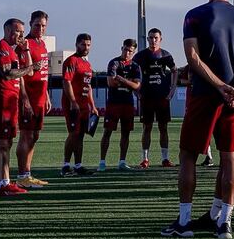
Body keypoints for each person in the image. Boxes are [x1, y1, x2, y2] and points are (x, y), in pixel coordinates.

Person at [161, 0, 234, 239]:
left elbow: (193, 58)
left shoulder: (195, 15)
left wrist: (219, 85)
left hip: (205, 94)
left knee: (188, 155)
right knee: (230, 158)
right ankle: (224, 222)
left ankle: (184, 222)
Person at [0, 18, 39, 196]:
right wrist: (30, 68)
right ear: (7, 30)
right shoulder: (1, 47)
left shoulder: (12, 50)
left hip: (11, 100)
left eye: (21, 32)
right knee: (2, 142)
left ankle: (5, 182)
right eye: (17, 31)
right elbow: (8, 73)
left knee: (8, 142)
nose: (20, 35)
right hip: (3, 99)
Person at [15, 10, 51, 189]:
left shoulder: (42, 44)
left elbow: (44, 72)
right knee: (26, 135)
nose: (40, 28)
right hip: (29, 97)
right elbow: (20, 74)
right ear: (30, 24)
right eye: (37, 25)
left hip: (40, 97)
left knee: (34, 136)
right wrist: (24, 98)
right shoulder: (24, 44)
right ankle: (22, 175)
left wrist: (47, 95)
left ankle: (27, 174)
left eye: (43, 25)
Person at [134, 28, 178, 169]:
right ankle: (145, 159)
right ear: (147, 39)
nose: (153, 40)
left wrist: (172, 90)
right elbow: (132, 72)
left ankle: (165, 159)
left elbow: (175, 71)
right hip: (146, 97)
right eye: (151, 38)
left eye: (156, 38)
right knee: (147, 127)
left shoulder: (166, 55)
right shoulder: (140, 56)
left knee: (163, 128)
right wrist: (136, 91)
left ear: (160, 39)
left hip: (162, 97)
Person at [99, 39, 142, 171]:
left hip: (127, 103)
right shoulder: (114, 63)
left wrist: (121, 79)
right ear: (121, 48)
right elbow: (111, 82)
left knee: (126, 132)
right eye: (125, 49)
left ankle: (122, 162)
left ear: (134, 52)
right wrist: (129, 82)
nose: (127, 53)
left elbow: (137, 86)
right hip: (114, 102)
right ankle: (102, 162)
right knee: (107, 131)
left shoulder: (135, 66)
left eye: (130, 51)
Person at [61, 33, 99, 176]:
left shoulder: (87, 64)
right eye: (83, 44)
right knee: (73, 133)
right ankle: (65, 166)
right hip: (73, 104)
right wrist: (73, 101)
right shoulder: (71, 61)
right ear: (76, 44)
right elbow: (66, 82)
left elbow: (88, 87)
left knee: (81, 135)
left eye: (88, 45)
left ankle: (78, 165)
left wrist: (92, 106)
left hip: (84, 105)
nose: (86, 47)